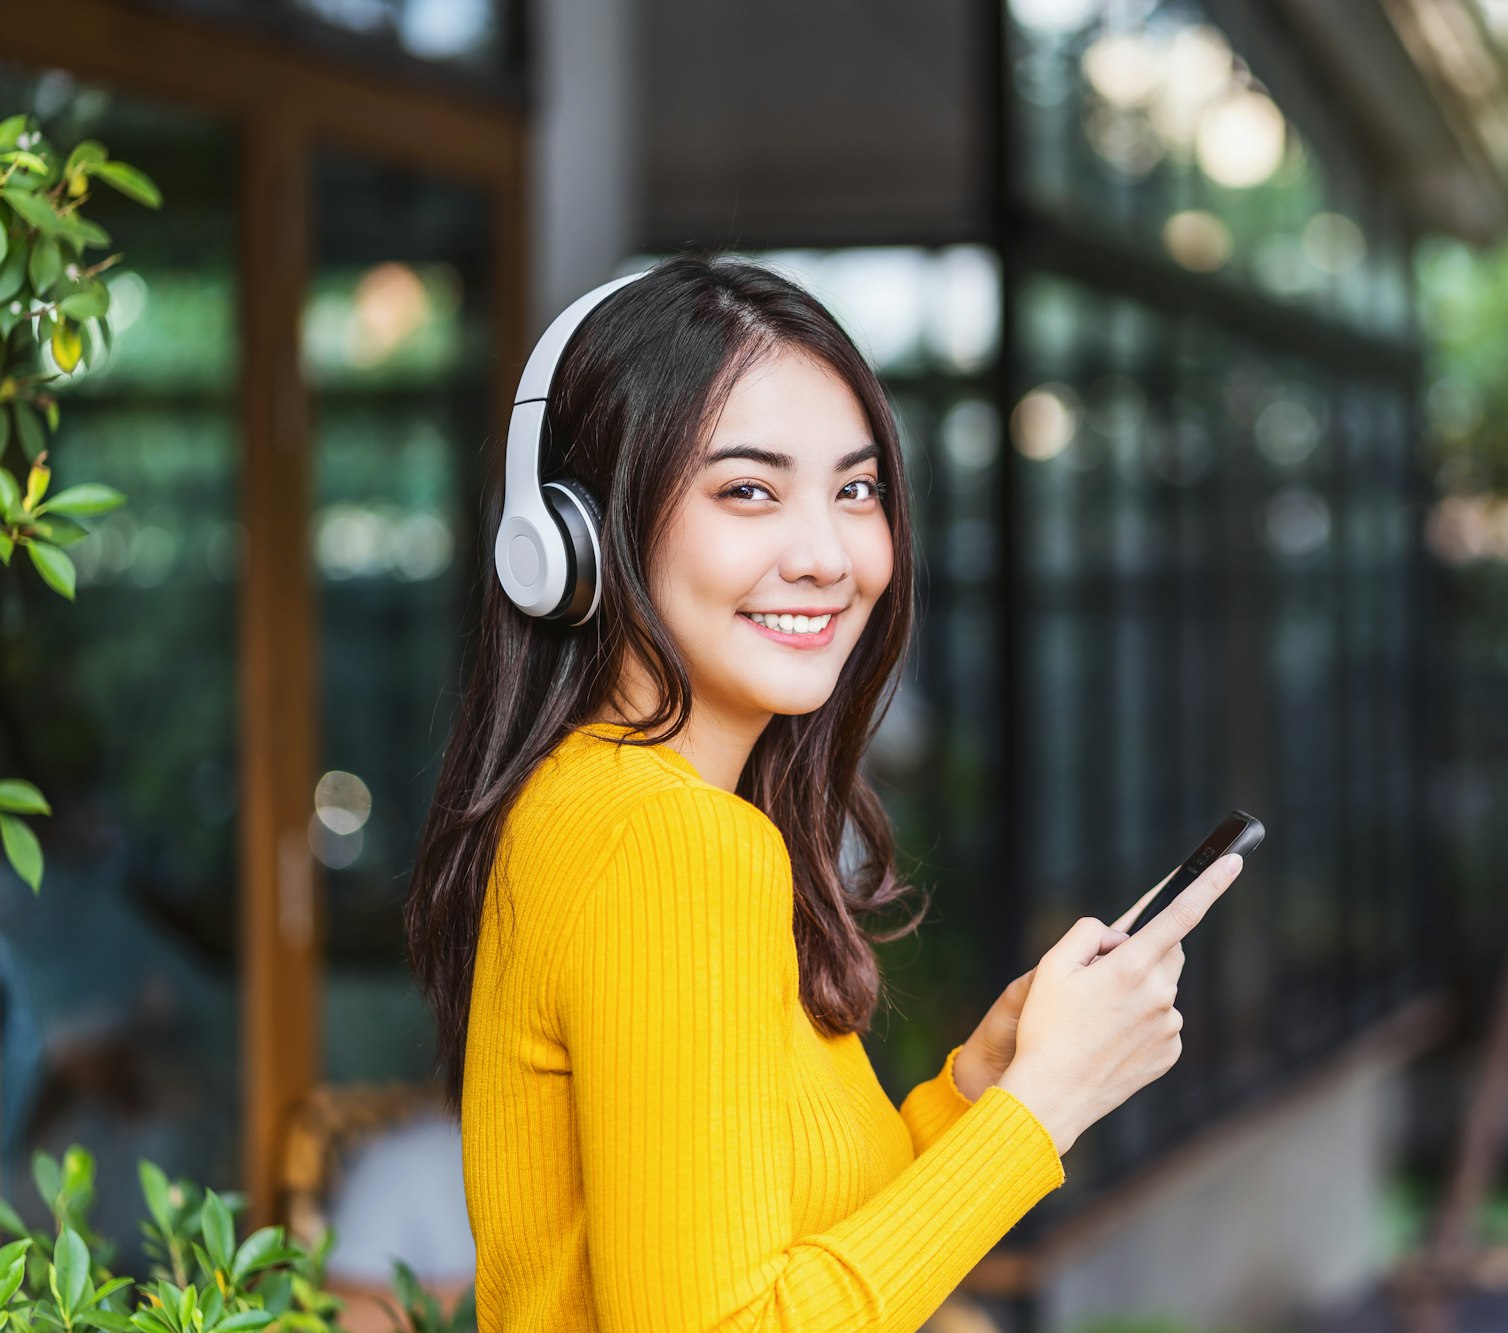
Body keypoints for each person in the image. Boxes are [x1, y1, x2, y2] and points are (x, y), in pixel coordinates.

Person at [403, 253, 1244, 1332]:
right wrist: (1047, 1108)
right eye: (747, 490)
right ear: (576, 538)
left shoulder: (594, 806)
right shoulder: (671, 841)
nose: (826, 555)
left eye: (854, 490)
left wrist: (976, 1093)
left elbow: (788, 1250)